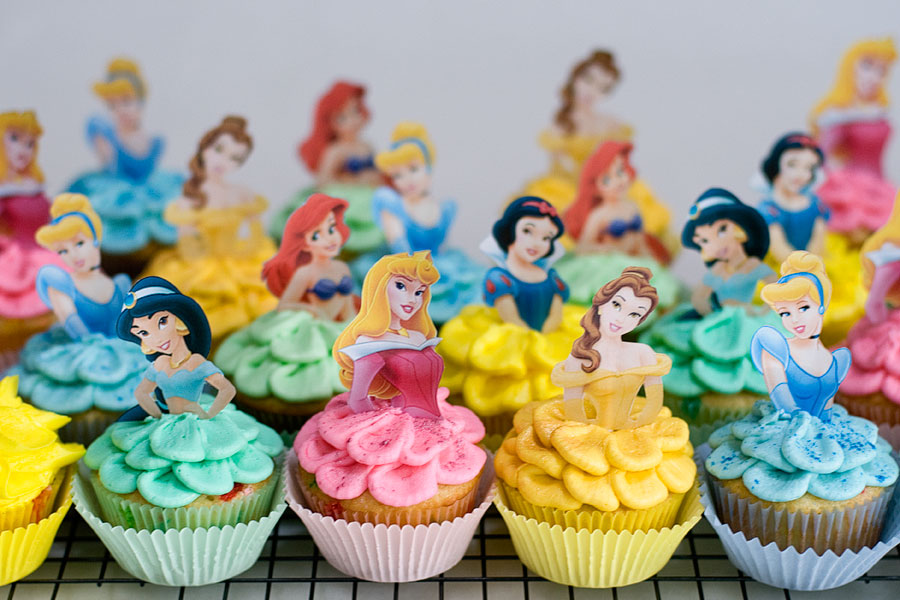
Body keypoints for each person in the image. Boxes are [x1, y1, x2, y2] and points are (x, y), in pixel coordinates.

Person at [144, 116, 277, 339]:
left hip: (238, 259)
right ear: (204, 147)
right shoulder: (190, 199)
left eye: (235, 158)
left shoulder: (242, 194)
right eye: (219, 150)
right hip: (200, 264)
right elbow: (189, 248)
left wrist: (243, 253)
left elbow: (256, 232)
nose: (223, 161)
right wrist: (206, 265)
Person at [352, 122, 483, 323]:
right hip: (407, 268)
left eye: (413, 169)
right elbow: (400, 248)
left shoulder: (445, 208)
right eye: (397, 175)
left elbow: (441, 247)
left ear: (428, 168)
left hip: (441, 265)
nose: (407, 180)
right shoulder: (393, 206)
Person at [67, 58, 182, 268]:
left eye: (126, 101)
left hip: (151, 190)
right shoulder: (107, 137)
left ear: (141, 101)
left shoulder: (154, 141)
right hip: (116, 191)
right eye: (112, 105)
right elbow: (108, 161)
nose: (121, 110)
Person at [553, 267, 670, 428]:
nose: (621, 319)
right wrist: (595, 435)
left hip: (635, 431)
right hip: (590, 434)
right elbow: (574, 413)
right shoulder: (579, 358)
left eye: (634, 314)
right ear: (601, 304)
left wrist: (635, 426)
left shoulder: (643, 353)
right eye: (616, 305)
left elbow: (653, 403)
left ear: (639, 321)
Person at [333, 251, 443, 418]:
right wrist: (378, 423)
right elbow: (358, 400)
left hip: (432, 422)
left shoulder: (419, 337)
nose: (412, 299)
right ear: (380, 287)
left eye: (419, 292)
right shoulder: (368, 342)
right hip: (400, 423)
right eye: (401, 286)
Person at [809, 38, 897, 243]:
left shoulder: (879, 111)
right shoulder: (839, 114)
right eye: (867, 66)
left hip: (881, 185)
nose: (874, 77)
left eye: (881, 71)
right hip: (852, 188)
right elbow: (822, 156)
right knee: (859, 236)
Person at [116, 276, 234, 420]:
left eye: (162, 322)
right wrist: (157, 415)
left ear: (179, 319)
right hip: (166, 420)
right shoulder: (160, 363)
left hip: (192, 421)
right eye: (143, 333)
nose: (157, 339)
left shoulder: (196, 362)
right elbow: (141, 393)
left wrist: (209, 415)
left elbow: (227, 389)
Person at [752, 252, 851, 419]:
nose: (795, 319)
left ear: (821, 306)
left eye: (803, 308)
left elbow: (826, 413)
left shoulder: (836, 360)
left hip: (825, 433)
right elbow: (785, 405)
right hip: (787, 431)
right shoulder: (776, 351)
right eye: (785, 313)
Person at [564, 141, 670, 263]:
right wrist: (602, 249)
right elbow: (583, 247)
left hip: (633, 260)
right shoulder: (600, 214)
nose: (617, 182)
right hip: (611, 262)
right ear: (595, 187)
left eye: (620, 172)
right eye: (607, 180)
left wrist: (647, 256)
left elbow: (639, 241)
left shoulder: (632, 207)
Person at [263, 193, 355, 321]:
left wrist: (354, 325)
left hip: (339, 326)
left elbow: (348, 309)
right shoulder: (305, 272)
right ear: (305, 245)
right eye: (316, 236)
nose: (329, 239)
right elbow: (284, 305)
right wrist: (310, 310)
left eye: (331, 230)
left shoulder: (342, 267)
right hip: (316, 326)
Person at [682, 188, 774, 316]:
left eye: (722, 230)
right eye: (704, 241)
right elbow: (699, 298)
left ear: (740, 228)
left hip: (746, 317)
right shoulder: (718, 269)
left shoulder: (753, 265)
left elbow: (777, 292)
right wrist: (712, 314)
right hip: (721, 318)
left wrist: (760, 313)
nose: (717, 245)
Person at [757, 133, 828, 262]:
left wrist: (812, 263)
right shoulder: (770, 209)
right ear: (776, 165)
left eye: (808, 168)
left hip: (813, 264)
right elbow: (779, 247)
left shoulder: (815, 204)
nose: (800, 174)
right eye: (792, 165)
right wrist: (798, 267)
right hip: (784, 267)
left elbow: (819, 239)